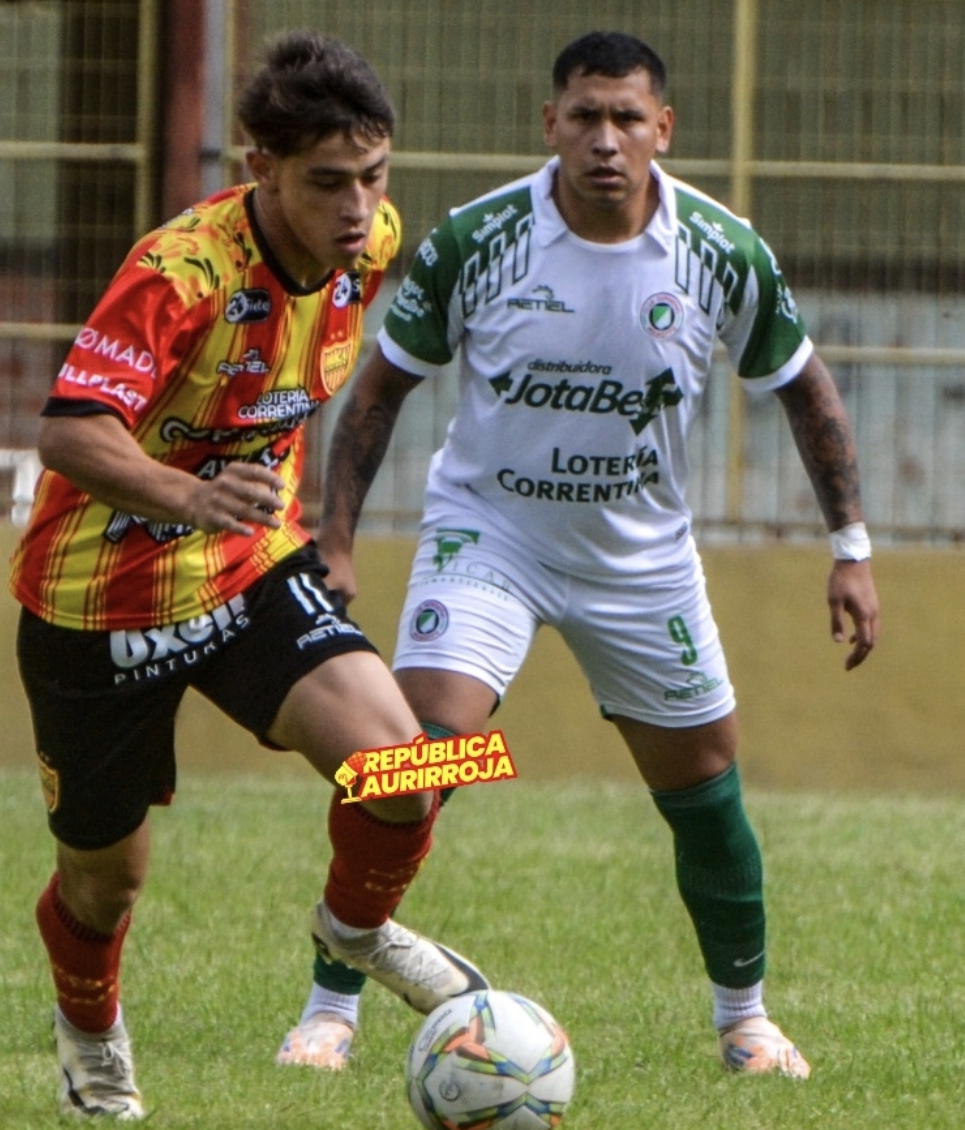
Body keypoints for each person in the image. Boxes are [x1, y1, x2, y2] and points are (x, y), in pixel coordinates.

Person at [277, 30, 879, 1077]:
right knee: (417, 755)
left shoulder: (719, 250)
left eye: (626, 118)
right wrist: (334, 538)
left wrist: (850, 548)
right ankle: (331, 1000)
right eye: (584, 116)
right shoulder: (479, 239)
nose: (605, 139)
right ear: (547, 124)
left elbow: (802, 385)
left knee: (703, 783)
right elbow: (378, 389)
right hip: (489, 539)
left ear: (662, 130)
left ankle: (744, 1019)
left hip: (638, 560)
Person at [9, 31, 488, 1120]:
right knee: (104, 882)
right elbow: (68, 432)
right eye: (327, 184)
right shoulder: (179, 274)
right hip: (98, 603)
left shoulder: (367, 246)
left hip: (241, 571)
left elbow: (284, 381)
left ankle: (353, 931)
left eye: (373, 177)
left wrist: (272, 522)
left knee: (404, 768)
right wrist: (187, 494)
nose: (358, 207)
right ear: (258, 168)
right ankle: (90, 1041)